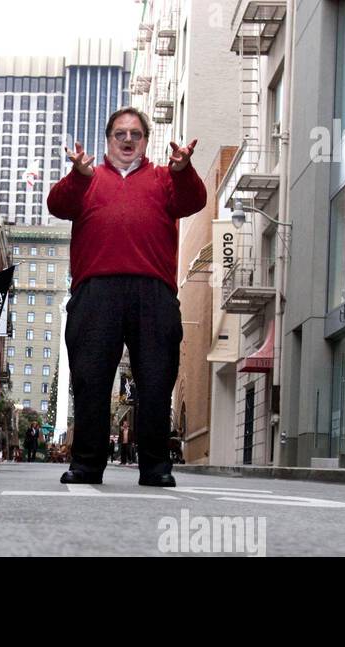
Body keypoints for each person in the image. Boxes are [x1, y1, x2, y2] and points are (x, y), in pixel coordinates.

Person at [47, 107, 206, 487]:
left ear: (146, 141)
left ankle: (155, 467)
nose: (128, 139)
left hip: (153, 292)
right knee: (90, 379)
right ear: (108, 139)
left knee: (156, 379)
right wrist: (78, 177)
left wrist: (183, 170)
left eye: (136, 133)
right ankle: (86, 465)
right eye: (121, 133)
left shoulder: (164, 178)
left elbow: (194, 201)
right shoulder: (88, 178)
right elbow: (57, 205)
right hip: (95, 291)